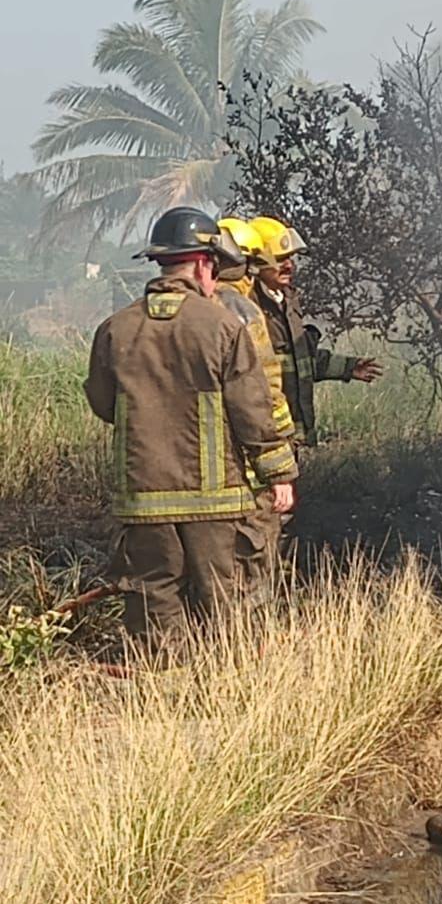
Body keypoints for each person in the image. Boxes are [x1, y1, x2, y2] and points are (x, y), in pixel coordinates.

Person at [84, 207, 297, 644]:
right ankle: (222, 691)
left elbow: (104, 405)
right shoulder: (222, 325)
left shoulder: (115, 329)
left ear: (162, 262)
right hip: (214, 501)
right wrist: (280, 475)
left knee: (153, 599)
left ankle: (164, 689)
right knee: (223, 603)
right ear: (204, 263)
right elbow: (252, 410)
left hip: (143, 500)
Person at [215, 216, 296, 597]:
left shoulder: (192, 307)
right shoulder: (245, 313)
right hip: (250, 459)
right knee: (255, 542)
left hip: (199, 466)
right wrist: (281, 457)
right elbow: (264, 393)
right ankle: (251, 629)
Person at [248, 216, 381, 445]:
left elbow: (298, 360)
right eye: (280, 259)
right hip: (266, 433)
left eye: (290, 257)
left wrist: (347, 368)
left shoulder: (288, 301)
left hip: (294, 433)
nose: (289, 265)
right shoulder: (248, 308)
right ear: (256, 262)